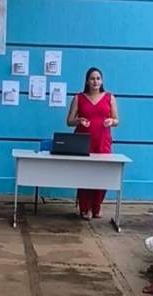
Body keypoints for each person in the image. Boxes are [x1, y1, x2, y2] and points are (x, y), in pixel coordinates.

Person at [67, 67, 119, 219]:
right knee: (85, 174)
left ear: (102, 81)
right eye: (92, 78)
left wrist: (111, 121)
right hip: (83, 141)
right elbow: (69, 121)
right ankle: (85, 208)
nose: (95, 81)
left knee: (102, 174)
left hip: (103, 141)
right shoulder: (79, 98)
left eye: (98, 78)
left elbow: (117, 120)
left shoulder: (109, 97)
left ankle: (97, 206)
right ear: (87, 81)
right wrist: (79, 120)